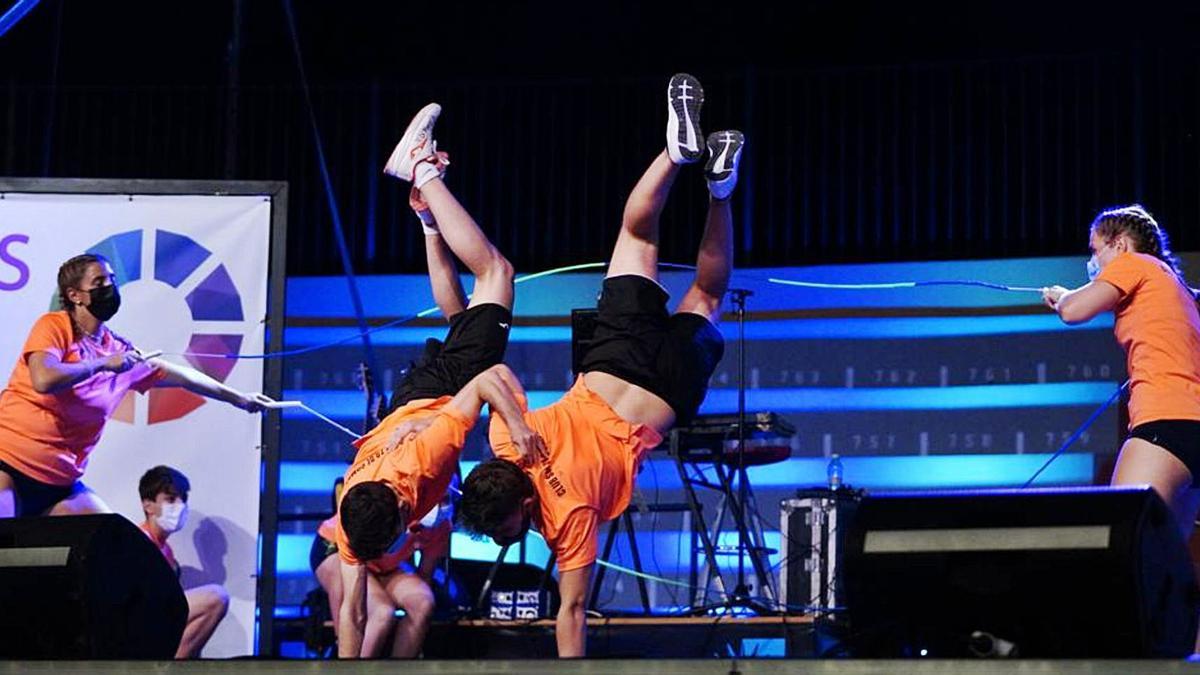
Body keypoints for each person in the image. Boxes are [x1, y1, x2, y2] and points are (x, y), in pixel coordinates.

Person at [458, 73, 743, 657]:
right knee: (637, 235)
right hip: (611, 361)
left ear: (517, 511)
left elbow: (572, 609)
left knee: (707, 297)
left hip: (664, 394)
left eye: (500, 532)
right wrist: (515, 423)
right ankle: (673, 153)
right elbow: (490, 379)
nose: (502, 540)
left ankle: (720, 189)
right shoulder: (508, 442)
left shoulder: (568, 523)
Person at [322, 102, 544, 659]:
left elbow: (491, 377)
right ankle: (427, 220)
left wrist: (518, 430)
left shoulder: (425, 455)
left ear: (401, 510)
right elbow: (348, 611)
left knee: (498, 273)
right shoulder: (355, 517)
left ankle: (421, 166)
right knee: (459, 318)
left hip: (441, 392)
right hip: (411, 397)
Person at [0, 253, 265, 518]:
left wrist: (239, 398)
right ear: (74, 295)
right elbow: (44, 379)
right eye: (99, 281)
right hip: (8, 461)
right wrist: (102, 364)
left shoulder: (119, 350)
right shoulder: (56, 326)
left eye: (112, 279)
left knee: (112, 544)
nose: (109, 287)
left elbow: (184, 377)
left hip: (61, 482)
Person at [1042, 204, 1200, 540]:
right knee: (1167, 567)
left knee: (1122, 541)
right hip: (1192, 428)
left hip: (1166, 423)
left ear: (1120, 245)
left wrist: (1062, 297)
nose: (1093, 263)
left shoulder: (1135, 263)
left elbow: (1074, 311)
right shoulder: (1179, 287)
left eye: (1095, 250)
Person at [137, 465, 230, 659]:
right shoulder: (138, 543)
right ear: (148, 505)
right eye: (170, 499)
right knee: (217, 596)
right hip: (136, 628)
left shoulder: (167, 552)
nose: (180, 506)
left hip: (154, 626)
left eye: (183, 499)